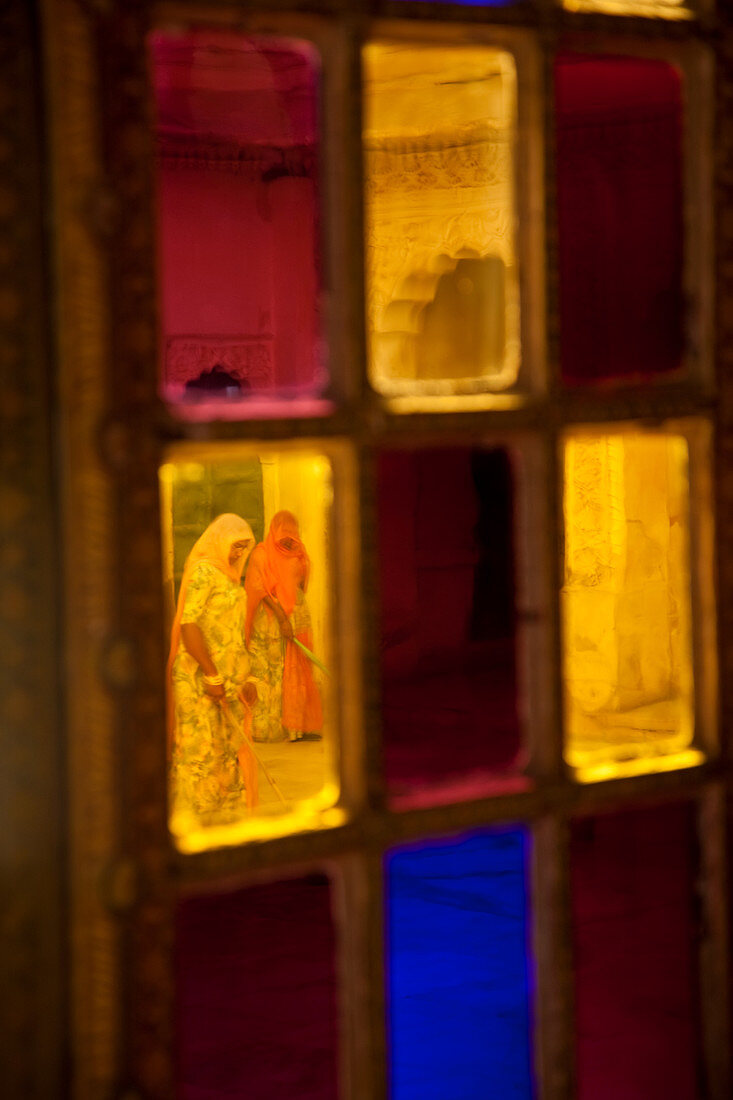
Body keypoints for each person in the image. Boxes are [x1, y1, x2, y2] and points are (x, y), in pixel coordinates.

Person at [167, 513, 259, 825]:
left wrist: (244, 676)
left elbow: (231, 630)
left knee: (226, 752)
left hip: (227, 680)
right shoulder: (204, 573)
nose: (238, 553)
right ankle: (195, 826)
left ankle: (222, 824)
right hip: (199, 680)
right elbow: (189, 623)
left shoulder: (231, 577)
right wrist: (211, 673)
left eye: (244, 547)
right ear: (220, 541)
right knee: (201, 753)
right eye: (235, 546)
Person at [244, 510, 323, 742]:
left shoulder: (298, 553)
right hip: (271, 623)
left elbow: (302, 585)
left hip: (297, 617)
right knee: (273, 673)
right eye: (284, 532)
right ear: (274, 531)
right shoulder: (261, 554)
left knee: (299, 669)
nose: (289, 537)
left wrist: (302, 557)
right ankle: (269, 729)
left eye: (292, 533)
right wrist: (281, 617)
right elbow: (260, 589)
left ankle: (298, 727)